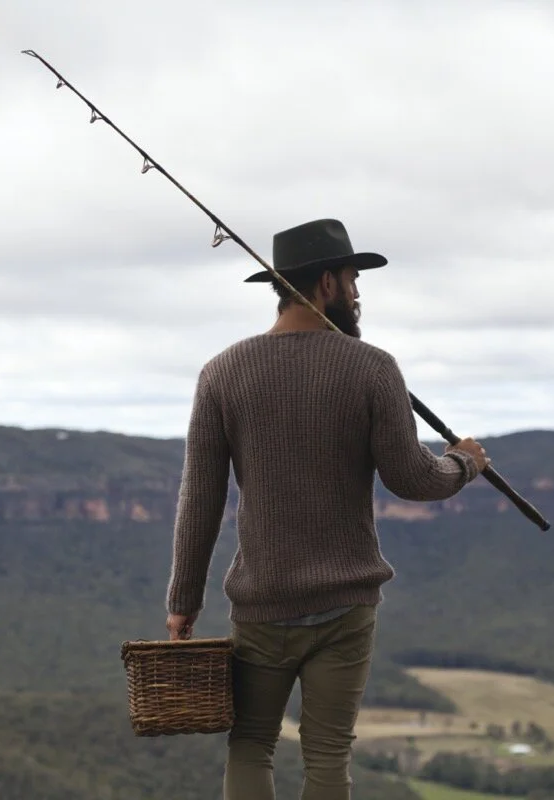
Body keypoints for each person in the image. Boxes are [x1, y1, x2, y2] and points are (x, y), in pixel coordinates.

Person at [164, 218, 489, 799]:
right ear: (327, 283)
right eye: (352, 278)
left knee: (251, 744)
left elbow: (200, 500)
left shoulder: (222, 372)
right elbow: (414, 479)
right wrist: (464, 463)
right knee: (328, 753)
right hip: (346, 606)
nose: (358, 292)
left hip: (262, 605)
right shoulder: (373, 367)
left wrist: (183, 602)